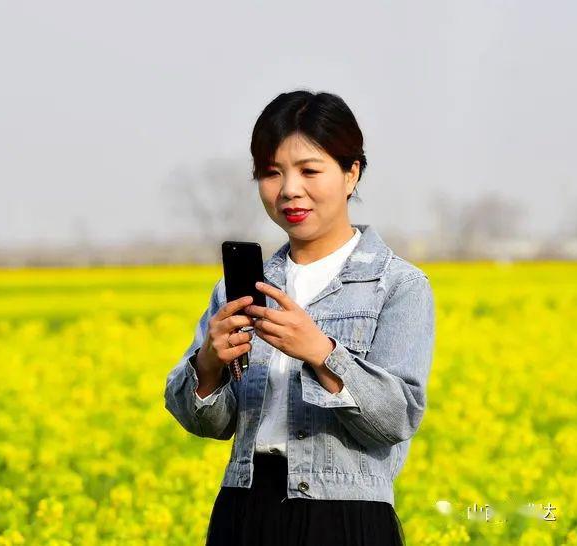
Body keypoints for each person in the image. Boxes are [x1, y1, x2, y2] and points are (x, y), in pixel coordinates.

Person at [164, 90, 436, 546]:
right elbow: (207, 423)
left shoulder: (398, 285)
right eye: (271, 173)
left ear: (352, 174)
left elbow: (398, 418)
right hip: (244, 509)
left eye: (310, 170)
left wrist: (322, 353)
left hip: (347, 515)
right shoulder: (238, 290)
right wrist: (208, 363)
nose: (289, 189)